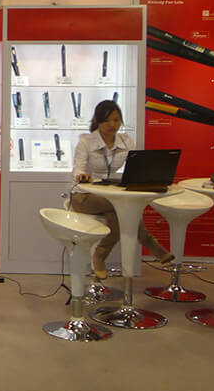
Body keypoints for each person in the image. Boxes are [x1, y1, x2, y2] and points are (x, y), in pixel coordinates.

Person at [71, 99, 174, 279]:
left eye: (116, 120)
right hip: (85, 196)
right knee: (123, 207)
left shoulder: (125, 141)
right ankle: (149, 243)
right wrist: (82, 176)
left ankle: (99, 255)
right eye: (107, 120)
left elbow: (137, 166)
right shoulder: (86, 141)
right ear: (96, 120)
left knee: (118, 211)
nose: (113, 125)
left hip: (110, 194)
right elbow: (78, 168)